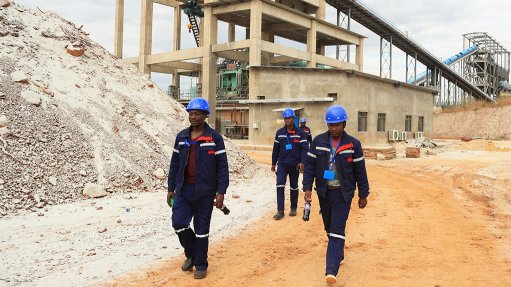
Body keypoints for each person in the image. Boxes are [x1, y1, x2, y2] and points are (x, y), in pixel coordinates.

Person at [302, 105, 369, 284]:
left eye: (337, 125)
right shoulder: (318, 142)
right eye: (331, 125)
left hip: (343, 194)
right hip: (324, 193)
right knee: (329, 227)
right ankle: (338, 251)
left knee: (337, 229)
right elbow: (309, 166)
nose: (334, 129)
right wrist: (307, 188)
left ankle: (331, 271)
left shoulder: (353, 144)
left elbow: (360, 171)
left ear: (344, 124)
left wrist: (363, 194)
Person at [167, 98, 229, 280]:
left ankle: (201, 264)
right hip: (183, 190)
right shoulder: (182, 137)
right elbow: (174, 165)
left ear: (205, 115)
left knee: (202, 230)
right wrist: (171, 188)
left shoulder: (215, 138)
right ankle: (192, 254)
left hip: (205, 192)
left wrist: (221, 192)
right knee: (178, 223)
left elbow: (222, 167)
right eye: (191, 113)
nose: (193, 117)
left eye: (197, 113)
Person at [271, 108, 309, 220]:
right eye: (286, 118)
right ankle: (280, 210)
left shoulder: (301, 133)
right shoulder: (279, 133)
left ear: (294, 118)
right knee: (280, 185)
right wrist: (273, 163)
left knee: (294, 186)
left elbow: (304, 149)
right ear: (284, 119)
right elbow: (275, 149)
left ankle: (293, 207)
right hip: (282, 164)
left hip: (295, 164)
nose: (288, 120)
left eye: (290, 118)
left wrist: (303, 162)